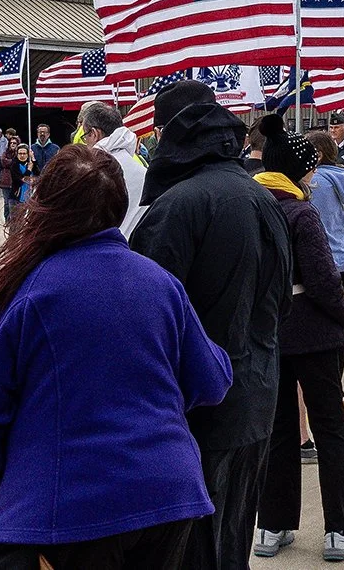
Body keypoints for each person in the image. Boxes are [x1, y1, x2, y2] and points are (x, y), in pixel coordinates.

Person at [0, 146, 232, 569]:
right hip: (168, 493)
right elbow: (212, 380)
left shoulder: (27, 291)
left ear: (45, 206)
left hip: (67, 509)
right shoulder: (159, 283)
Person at [127, 81, 292, 570]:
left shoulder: (178, 206)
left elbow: (144, 322)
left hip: (197, 410)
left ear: (170, 135)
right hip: (257, 397)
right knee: (233, 538)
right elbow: (282, 303)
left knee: (189, 548)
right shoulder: (263, 198)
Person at [251, 117, 344, 562]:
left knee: (277, 432)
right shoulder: (300, 211)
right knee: (330, 430)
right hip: (313, 334)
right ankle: (336, 527)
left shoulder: (250, 205)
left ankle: (272, 524)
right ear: (300, 172)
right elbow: (322, 278)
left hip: (268, 335)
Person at [78, 101, 149, 235]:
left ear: (94, 133)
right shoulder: (143, 171)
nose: (85, 143)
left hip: (106, 245)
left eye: (85, 137)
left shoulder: (93, 173)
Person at [306, 130, 344, 281]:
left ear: (318, 155)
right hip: (341, 251)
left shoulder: (316, 181)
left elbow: (314, 220)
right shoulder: (341, 177)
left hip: (323, 256)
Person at [8, 144, 36, 211]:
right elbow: (20, 180)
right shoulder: (14, 164)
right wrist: (28, 170)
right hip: (16, 198)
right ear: (17, 154)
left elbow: (38, 173)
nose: (22, 156)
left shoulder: (30, 163)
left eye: (24, 153)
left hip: (29, 197)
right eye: (20, 153)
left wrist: (33, 158)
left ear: (27, 154)